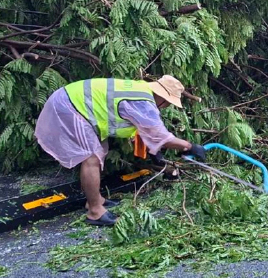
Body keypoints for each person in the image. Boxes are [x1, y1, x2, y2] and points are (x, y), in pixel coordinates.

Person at [35, 75, 206, 226]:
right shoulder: (142, 102)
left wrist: (155, 152)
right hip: (69, 106)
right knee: (91, 158)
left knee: (100, 151)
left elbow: (144, 131)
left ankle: (96, 200)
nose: (167, 106)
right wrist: (190, 147)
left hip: (73, 102)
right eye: (168, 103)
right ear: (163, 97)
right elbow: (161, 137)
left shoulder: (140, 91)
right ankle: (95, 212)